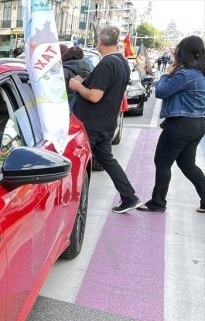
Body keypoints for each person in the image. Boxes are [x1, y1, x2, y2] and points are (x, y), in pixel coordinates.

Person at [69, 26, 140, 213]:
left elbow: (94, 96)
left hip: (91, 124)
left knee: (75, 164)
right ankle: (129, 197)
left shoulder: (107, 64)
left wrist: (77, 86)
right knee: (107, 160)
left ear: (100, 43)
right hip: (106, 122)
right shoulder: (122, 63)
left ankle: (69, 206)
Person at [138, 36, 205, 213]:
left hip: (179, 126)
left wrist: (166, 74)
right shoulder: (200, 73)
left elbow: (161, 92)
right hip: (197, 124)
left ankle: (158, 203)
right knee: (188, 165)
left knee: (162, 163)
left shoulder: (186, 75)